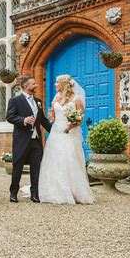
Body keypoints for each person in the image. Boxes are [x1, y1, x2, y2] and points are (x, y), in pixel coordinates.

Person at [38, 74, 95, 204]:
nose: (55, 85)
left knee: (70, 158)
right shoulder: (56, 98)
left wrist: (72, 124)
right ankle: (55, 190)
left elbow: (80, 119)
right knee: (55, 158)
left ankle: (75, 191)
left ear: (63, 84)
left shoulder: (77, 99)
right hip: (56, 131)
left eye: (57, 83)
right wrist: (51, 114)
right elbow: (53, 118)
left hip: (70, 132)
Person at [6, 76, 52, 203]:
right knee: (18, 167)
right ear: (26, 86)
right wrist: (23, 120)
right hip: (21, 139)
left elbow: (43, 121)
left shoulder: (38, 101)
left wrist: (56, 131)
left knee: (36, 168)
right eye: (33, 83)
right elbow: (9, 117)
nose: (36, 85)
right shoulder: (15, 101)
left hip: (36, 140)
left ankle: (35, 194)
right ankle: (13, 193)